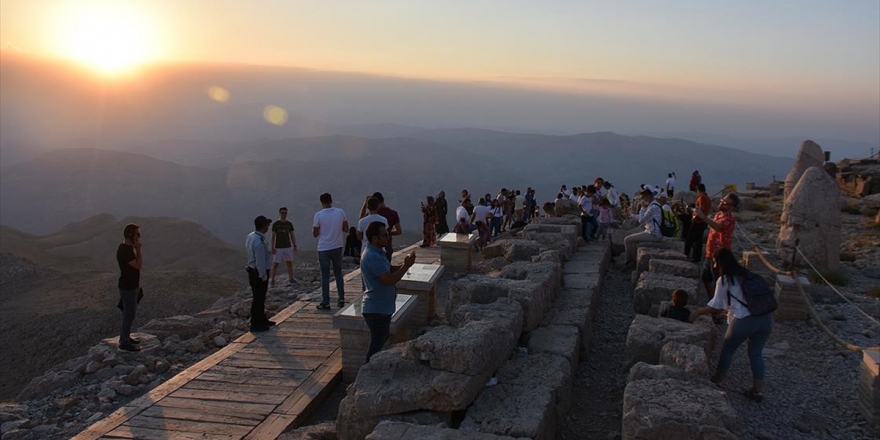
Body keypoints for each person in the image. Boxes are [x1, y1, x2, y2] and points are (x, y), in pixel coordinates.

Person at [690, 248, 772, 403]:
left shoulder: (725, 279)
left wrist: (698, 312)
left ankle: (716, 380)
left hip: (746, 321)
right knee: (756, 354)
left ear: (719, 262)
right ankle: (757, 390)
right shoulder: (747, 274)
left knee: (728, 349)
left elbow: (716, 307)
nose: (714, 265)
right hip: (766, 319)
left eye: (714, 262)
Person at [361, 222, 417, 362]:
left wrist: (404, 264)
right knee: (376, 346)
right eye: (384, 235)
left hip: (382, 307)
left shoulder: (378, 253)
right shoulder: (372, 256)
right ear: (374, 238)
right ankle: (367, 375)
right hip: (376, 309)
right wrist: (406, 266)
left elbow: (387, 269)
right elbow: (390, 280)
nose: (387, 237)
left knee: (381, 340)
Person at [694, 192, 739, 299]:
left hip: (720, 255)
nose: (722, 203)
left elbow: (718, 227)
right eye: (722, 201)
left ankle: (718, 305)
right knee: (706, 277)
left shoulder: (729, 220)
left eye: (726, 203)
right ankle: (712, 299)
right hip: (710, 252)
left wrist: (703, 216)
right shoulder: (718, 215)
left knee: (718, 281)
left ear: (731, 207)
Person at [312, 193, 349, 310]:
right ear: (331, 200)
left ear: (321, 202)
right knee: (338, 273)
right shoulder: (340, 212)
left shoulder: (318, 215)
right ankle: (341, 298)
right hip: (337, 246)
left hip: (324, 247)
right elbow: (346, 229)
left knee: (325, 275)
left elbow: (315, 234)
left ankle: (326, 302)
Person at [117, 223, 143, 351]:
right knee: (129, 314)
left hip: (131, 285)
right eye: (137, 234)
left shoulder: (127, 249)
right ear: (130, 235)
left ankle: (126, 337)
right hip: (128, 287)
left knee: (128, 314)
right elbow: (138, 265)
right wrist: (138, 249)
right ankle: (124, 342)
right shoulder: (125, 251)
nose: (139, 236)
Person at [245, 215, 275, 331]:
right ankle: (256, 323)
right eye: (267, 224)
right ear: (263, 226)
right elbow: (260, 261)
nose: (268, 226)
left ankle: (262, 319)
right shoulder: (259, 241)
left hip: (252, 270)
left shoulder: (251, 236)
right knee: (258, 297)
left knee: (260, 297)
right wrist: (262, 276)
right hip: (258, 272)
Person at [621, 189, 663, 267]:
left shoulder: (653, 207)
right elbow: (642, 217)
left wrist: (643, 207)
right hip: (652, 231)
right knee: (632, 240)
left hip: (653, 234)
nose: (643, 199)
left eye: (644, 197)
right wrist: (631, 216)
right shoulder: (653, 205)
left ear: (649, 196)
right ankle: (632, 260)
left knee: (627, 240)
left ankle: (629, 261)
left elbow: (641, 220)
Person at [269, 207, 297, 287]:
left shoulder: (289, 224)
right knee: (275, 264)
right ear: (279, 213)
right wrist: (272, 247)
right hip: (278, 247)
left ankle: (291, 278)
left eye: (285, 213)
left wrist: (294, 245)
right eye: (282, 213)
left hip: (287, 246)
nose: (284, 214)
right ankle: (272, 280)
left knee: (289, 263)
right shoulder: (276, 224)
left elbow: (292, 235)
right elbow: (273, 236)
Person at [685, 183, 712, 262]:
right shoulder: (707, 198)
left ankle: (687, 254)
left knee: (689, 239)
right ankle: (697, 257)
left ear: (698, 190)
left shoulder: (702, 198)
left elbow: (700, 209)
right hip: (703, 221)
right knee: (698, 241)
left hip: (698, 221)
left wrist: (694, 217)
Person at [374, 192, 402, 261]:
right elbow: (399, 231)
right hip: (388, 244)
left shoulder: (375, 214)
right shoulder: (393, 213)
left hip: (376, 246)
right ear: (383, 199)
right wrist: (388, 232)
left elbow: (361, 220)